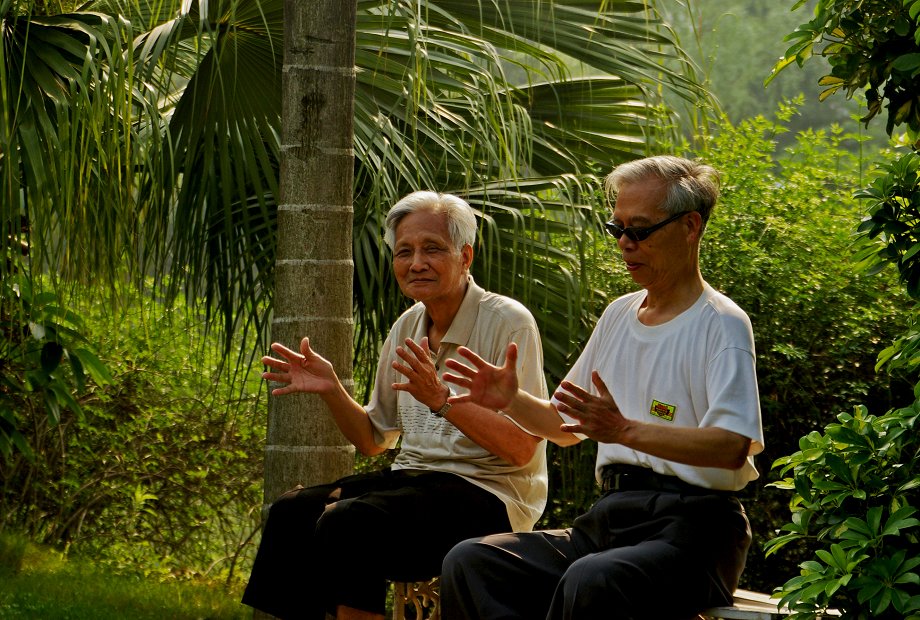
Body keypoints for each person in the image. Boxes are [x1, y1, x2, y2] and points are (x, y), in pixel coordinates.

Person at [438, 156, 765, 620]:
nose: (626, 244)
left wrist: (625, 431)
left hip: (694, 531)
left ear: (690, 226)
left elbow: (732, 446)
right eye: (618, 230)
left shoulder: (722, 324)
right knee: (471, 562)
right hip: (611, 519)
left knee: (593, 577)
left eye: (641, 230)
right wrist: (511, 401)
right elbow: (563, 425)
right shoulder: (618, 315)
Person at [241, 191, 548, 620]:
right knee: (292, 511)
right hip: (415, 482)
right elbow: (372, 439)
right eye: (404, 251)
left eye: (432, 249)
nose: (416, 262)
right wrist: (332, 389)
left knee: (349, 523)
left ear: (466, 256)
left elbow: (521, 451)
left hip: (491, 494)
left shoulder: (507, 322)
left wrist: (442, 400)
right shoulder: (407, 325)